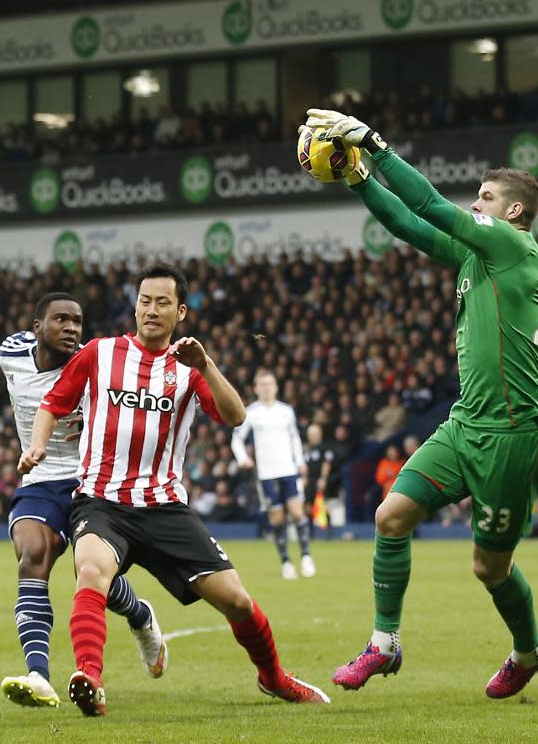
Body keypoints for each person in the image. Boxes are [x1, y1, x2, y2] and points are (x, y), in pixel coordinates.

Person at [304, 108, 538, 699]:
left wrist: (374, 145)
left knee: (488, 568)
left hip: (514, 437)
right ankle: (384, 644)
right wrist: (358, 178)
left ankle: (526, 653)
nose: (477, 205)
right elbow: (410, 226)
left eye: (487, 198)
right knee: (391, 517)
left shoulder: (516, 247)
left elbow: (433, 209)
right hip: (468, 424)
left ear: (512, 211)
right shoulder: (477, 257)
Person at [18, 266, 329, 716]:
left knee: (238, 600)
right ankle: (90, 677)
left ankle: (274, 678)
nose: (151, 310)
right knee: (90, 569)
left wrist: (205, 365)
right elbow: (54, 402)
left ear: (180, 312)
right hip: (101, 501)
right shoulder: (100, 353)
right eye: (145, 300)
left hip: (164, 508)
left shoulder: (188, 367)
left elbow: (236, 415)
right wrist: (39, 445)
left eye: (163, 302)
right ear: (136, 304)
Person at [0, 293, 166, 709]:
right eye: (61, 320)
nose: (72, 328)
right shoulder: (11, 352)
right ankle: (38, 674)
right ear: (37, 327)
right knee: (32, 555)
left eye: (77, 321)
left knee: (92, 576)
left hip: (89, 480)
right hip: (38, 477)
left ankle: (140, 615)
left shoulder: (96, 367)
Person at [231, 369, 315, 580]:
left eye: (270, 384)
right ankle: (286, 562)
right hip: (267, 474)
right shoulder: (250, 412)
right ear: (256, 389)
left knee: (297, 512)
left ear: (276, 387)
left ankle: (306, 556)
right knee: (277, 518)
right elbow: (236, 438)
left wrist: (300, 461)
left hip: (289, 470)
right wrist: (243, 458)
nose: (267, 387)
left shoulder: (286, 411)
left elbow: (294, 437)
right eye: (263, 384)